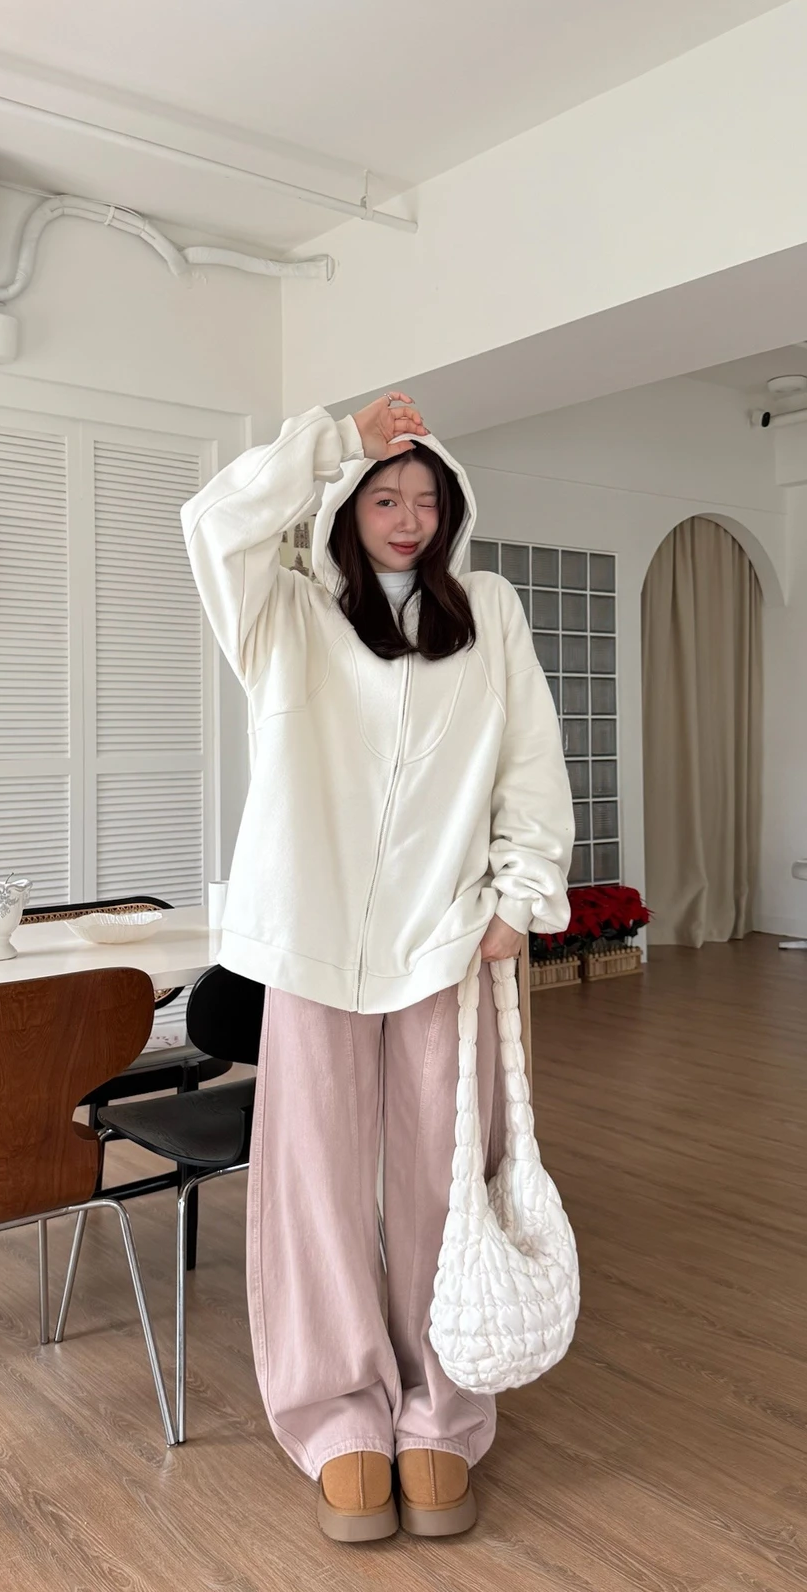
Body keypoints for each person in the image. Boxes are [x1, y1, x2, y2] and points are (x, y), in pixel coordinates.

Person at [182, 394, 573, 1543]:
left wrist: (521, 894)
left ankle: (443, 1410)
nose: (408, 518)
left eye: (426, 499)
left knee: (446, 1182)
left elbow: (531, 757)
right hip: (311, 948)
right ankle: (339, 1415)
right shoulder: (284, 612)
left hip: (447, 941)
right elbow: (213, 522)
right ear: (346, 506)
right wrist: (330, 440)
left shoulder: (488, 612)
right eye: (385, 496)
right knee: (315, 1187)